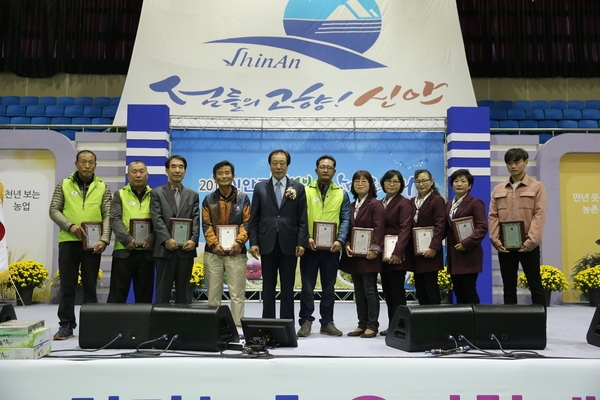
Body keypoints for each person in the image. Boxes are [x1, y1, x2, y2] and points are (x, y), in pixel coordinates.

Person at [49, 150, 111, 340]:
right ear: (76, 164)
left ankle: (91, 325)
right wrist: (70, 226)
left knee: (90, 286)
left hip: (93, 244)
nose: (86, 165)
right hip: (68, 241)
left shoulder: (103, 187)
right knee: (67, 286)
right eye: (83, 162)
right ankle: (66, 325)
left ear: (95, 165)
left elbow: (107, 215)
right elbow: (54, 210)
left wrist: (104, 239)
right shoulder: (64, 185)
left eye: (90, 162)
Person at [248, 149, 308, 320]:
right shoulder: (260, 187)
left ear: (287, 165)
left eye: (282, 163)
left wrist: (301, 242)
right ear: (270, 164)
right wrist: (253, 242)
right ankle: (268, 323)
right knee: (268, 286)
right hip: (267, 243)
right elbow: (255, 218)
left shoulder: (298, 187)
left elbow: (302, 218)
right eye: (275, 163)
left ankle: (287, 324)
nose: (278, 166)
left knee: (288, 286)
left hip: (290, 243)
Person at [297, 155, 350, 338]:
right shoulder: (305, 190)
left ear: (334, 171)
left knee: (329, 288)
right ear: (316, 170)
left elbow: (345, 220)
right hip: (310, 248)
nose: (325, 170)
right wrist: (306, 238)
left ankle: (327, 322)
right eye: (322, 167)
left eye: (329, 167)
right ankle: (305, 321)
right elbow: (300, 218)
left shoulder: (342, 193)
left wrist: (340, 240)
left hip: (331, 250)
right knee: (307, 288)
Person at [489, 148, 547, 305]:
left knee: (535, 285)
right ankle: (510, 326)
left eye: (516, 162)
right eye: (509, 163)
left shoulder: (537, 187)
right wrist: (495, 239)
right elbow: (493, 216)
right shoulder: (498, 189)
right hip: (505, 246)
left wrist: (531, 241)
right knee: (508, 287)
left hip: (529, 245)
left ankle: (539, 326)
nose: (513, 166)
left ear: (526, 162)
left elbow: (539, 215)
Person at [202, 160, 251, 328]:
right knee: (213, 295)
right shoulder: (208, 199)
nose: (224, 176)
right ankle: (213, 328)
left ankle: (238, 328)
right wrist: (214, 244)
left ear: (233, 176)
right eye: (220, 173)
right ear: (215, 177)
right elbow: (206, 224)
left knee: (237, 295)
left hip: (237, 253)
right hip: (213, 253)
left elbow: (247, 222)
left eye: (227, 173)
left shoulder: (243, 198)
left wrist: (239, 242)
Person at [340, 170, 385, 338]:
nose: (360, 183)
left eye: (364, 181)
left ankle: (372, 325)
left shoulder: (375, 204)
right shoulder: (351, 206)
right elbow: (346, 228)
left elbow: (380, 228)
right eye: (357, 181)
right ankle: (362, 323)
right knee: (358, 290)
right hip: (354, 256)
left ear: (370, 185)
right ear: (352, 185)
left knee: (370, 290)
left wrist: (375, 248)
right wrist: (346, 244)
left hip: (369, 256)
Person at [150, 155, 200, 304]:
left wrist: (193, 240)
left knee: (184, 294)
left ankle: (182, 326)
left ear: (184, 171)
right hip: (165, 250)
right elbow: (157, 218)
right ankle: (161, 326)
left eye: (181, 167)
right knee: (162, 293)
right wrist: (167, 239)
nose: (177, 170)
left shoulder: (193, 195)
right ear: (167, 170)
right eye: (173, 166)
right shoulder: (156, 193)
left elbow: (196, 220)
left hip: (186, 251)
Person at [107, 160, 155, 303]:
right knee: (117, 295)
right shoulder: (119, 194)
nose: (138, 175)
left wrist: (152, 239)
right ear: (128, 175)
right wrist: (127, 239)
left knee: (144, 296)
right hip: (124, 251)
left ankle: (143, 325)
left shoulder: (156, 195)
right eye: (134, 172)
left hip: (147, 252)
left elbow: (160, 221)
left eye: (141, 171)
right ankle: (114, 325)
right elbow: (114, 219)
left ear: (147, 175)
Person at [445, 169, 488, 304]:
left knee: (469, 290)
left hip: (469, 253)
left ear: (469, 185)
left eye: (463, 181)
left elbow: (482, 227)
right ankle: (463, 322)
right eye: (456, 181)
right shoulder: (448, 205)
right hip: (454, 254)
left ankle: (476, 323)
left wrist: (466, 243)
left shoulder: (475, 203)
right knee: (458, 291)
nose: (459, 184)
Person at [379, 170, 413, 336]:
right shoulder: (380, 202)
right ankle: (393, 325)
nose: (392, 184)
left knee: (397, 293)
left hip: (397, 256)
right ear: (383, 183)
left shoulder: (404, 203)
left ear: (401, 185)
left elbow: (406, 228)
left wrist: (398, 252)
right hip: (383, 255)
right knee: (388, 292)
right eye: (388, 181)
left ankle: (402, 326)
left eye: (396, 182)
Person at [410, 169, 445, 305]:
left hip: (431, 253)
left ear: (432, 181)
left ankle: (435, 323)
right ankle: (423, 323)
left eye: (424, 180)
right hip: (417, 254)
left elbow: (440, 226)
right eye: (418, 181)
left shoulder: (437, 200)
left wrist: (433, 247)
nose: (421, 184)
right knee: (420, 289)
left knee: (431, 289)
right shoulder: (412, 201)